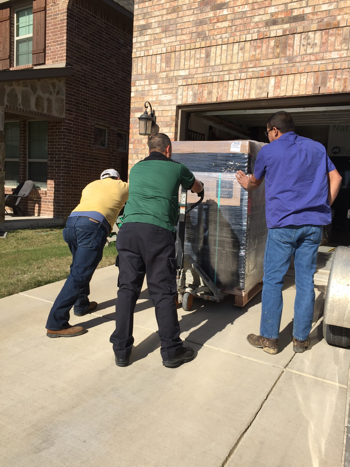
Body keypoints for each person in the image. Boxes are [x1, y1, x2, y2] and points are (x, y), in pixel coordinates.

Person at [236, 111, 342, 355]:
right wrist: (324, 206)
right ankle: (301, 340)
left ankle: (270, 340)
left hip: (283, 226)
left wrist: (245, 183)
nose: (269, 136)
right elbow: (335, 178)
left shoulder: (268, 152)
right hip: (313, 226)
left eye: (268, 132)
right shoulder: (316, 148)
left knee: (273, 280)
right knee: (305, 281)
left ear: (274, 130)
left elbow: (254, 183)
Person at [110, 133, 204, 368]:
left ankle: (121, 350)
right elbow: (195, 186)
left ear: (149, 148)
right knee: (162, 292)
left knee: (127, 290)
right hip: (157, 233)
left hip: (128, 231)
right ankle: (172, 351)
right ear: (168, 150)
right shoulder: (177, 168)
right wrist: (199, 189)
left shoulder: (136, 168)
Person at [46, 169, 129, 338]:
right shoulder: (124, 186)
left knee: (78, 268)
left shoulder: (90, 186)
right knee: (80, 274)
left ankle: (81, 304)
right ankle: (56, 323)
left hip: (71, 224)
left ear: (101, 178)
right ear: (117, 177)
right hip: (92, 226)